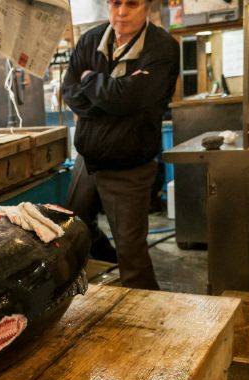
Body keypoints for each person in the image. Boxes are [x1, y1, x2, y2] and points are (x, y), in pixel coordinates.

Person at [62, 0, 179, 289]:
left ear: (148, 6)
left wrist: (93, 83)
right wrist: (108, 98)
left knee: (133, 255)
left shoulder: (161, 47)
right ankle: (108, 264)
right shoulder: (90, 40)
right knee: (75, 228)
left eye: (132, 4)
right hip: (87, 161)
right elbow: (70, 92)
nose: (121, 12)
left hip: (129, 167)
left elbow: (128, 99)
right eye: (115, 3)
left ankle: (149, 326)